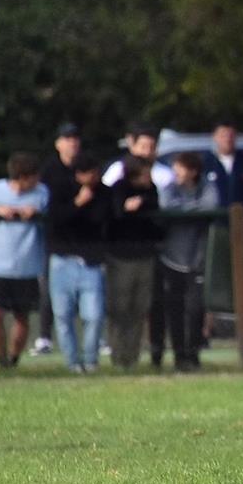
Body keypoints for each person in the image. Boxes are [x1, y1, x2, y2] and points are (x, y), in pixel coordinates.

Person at [0, 153, 50, 369]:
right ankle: (0, 359)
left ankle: (13, 359)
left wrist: (36, 214)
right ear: (22, 177)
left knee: (22, 315)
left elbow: (50, 219)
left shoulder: (41, 194)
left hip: (27, 265)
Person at [45, 153, 110, 373]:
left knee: (93, 315)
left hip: (90, 262)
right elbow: (56, 219)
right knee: (63, 315)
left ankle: (90, 360)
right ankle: (72, 362)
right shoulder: (60, 190)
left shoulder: (103, 194)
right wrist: (77, 204)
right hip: (62, 261)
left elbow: (101, 220)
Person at [156, 151, 220, 372]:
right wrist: (194, 210)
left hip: (197, 259)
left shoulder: (206, 187)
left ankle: (193, 354)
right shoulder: (169, 188)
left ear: (192, 171)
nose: (176, 173)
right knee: (174, 311)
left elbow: (211, 205)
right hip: (172, 259)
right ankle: (178, 356)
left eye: (180, 168)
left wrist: (184, 210)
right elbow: (166, 206)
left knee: (195, 309)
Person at [106, 155, 163, 370]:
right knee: (120, 308)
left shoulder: (151, 191)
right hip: (122, 257)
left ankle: (132, 356)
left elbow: (155, 214)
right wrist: (126, 208)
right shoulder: (118, 189)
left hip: (145, 255)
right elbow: (115, 216)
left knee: (140, 308)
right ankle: (118, 354)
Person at [34, 122, 83, 357]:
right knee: (50, 290)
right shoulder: (49, 171)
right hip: (54, 238)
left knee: (86, 291)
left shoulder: (84, 168)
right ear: (58, 143)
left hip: (83, 239)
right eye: (67, 138)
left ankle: (95, 338)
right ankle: (45, 336)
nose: (72, 142)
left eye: (75, 138)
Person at [203, 121, 243, 207]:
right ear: (215, 137)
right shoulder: (206, 163)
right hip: (216, 216)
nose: (227, 139)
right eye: (223, 136)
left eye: (231, 135)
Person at [102, 123, 175, 190]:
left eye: (152, 148)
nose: (147, 152)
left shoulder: (165, 175)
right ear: (133, 146)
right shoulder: (118, 169)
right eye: (143, 147)